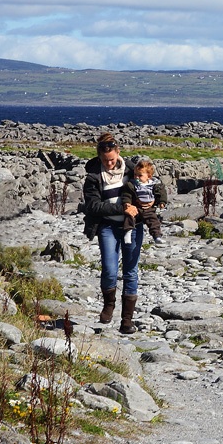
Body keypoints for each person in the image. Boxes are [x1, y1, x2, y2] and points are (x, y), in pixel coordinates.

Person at [82, 133, 142, 334]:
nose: (109, 163)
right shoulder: (93, 177)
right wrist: (122, 208)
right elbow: (93, 206)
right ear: (99, 157)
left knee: (130, 271)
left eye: (112, 159)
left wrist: (154, 202)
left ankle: (127, 321)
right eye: (105, 160)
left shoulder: (132, 171)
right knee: (109, 269)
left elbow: (150, 188)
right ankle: (109, 304)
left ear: (118, 153)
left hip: (132, 225)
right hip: (107, 226)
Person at [121, 157, 167, 245]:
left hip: (148, 209)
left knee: (154, 221)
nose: (136, 177)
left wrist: (162, 202)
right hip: (136, 207)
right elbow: (127, 195)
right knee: (129, 217)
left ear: (149, 176)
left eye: (140, 175)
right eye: (135, 175)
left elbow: (161, 194)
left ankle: (157, 236)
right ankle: (128, 232)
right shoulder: (131, 184)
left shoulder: (155, 185)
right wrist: (127, 203)